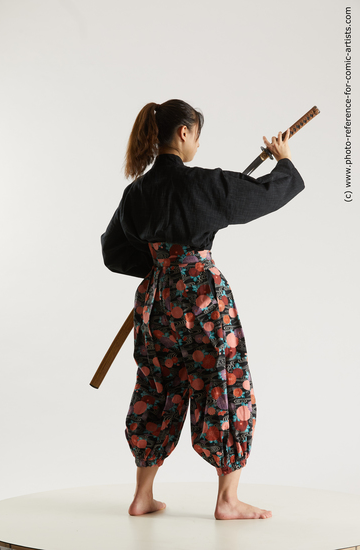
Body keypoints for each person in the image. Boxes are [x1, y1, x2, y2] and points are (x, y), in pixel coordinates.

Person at [100, 99, 305, 520]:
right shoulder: (204, 184)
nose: (196, 144)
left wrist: (160, 267)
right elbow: (264, 195)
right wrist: (284, 163)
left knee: (156, 385)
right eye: (197, 135)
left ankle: (142, 496)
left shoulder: (136, 192)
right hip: (203, 300)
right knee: (224, 383)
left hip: (156, 303)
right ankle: (227, 501)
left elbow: (113, 251)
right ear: (184, 132)